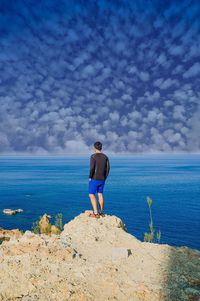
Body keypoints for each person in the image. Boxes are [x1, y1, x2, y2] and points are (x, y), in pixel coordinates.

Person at [88, 141, 110, 218]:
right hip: (102, 179)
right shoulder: (105, 157)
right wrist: (105, 177)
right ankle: (101, 212)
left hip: (95, 178)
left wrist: (90, 177)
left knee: (91, 194)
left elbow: (92, 168)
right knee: (100, 194)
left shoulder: (93, 156)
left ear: (94, 148)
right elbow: (108, 168)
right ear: (101, 148)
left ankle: (95, 213)